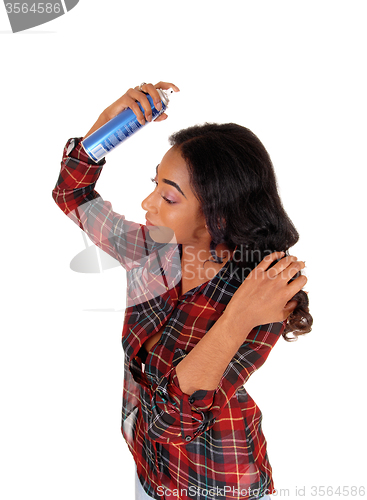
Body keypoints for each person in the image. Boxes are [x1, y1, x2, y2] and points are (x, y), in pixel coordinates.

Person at [52, 81, 312, 500]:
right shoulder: (151, 252)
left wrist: (238, 317)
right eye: (154, 184)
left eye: (168, 197)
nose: (146, 203)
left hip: (216, 485)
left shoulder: (264, 291)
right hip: (149, 469)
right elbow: (72, 194)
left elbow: (173, 419)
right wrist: (109, 124)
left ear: (218, 216)